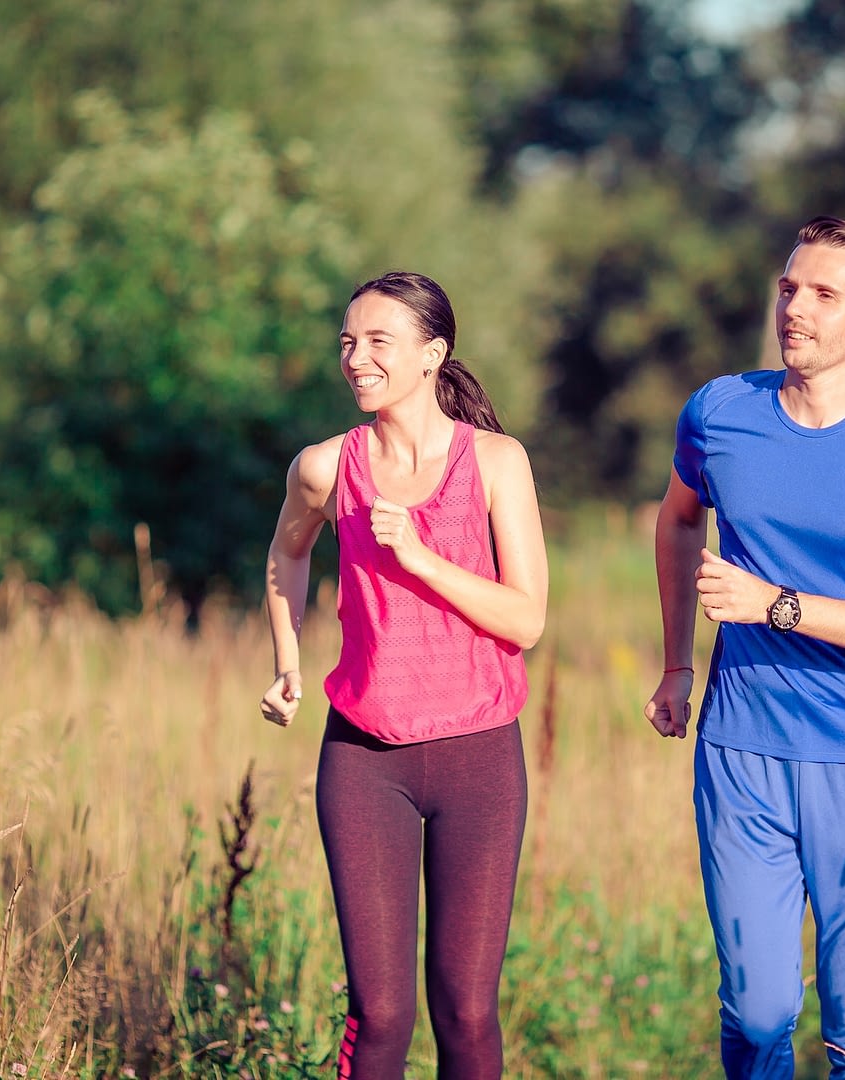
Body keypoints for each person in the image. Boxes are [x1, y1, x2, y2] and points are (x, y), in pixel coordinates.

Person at [643, 217, 845, 1080]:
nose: (796, 308)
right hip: (740, 754)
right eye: (789, 287)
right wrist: (678, 661)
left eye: (825, 293)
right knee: (757, 1014)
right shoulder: (719, 412)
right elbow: (677, 517)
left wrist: (774, 605)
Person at [259, 270, 548, 1080]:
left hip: (480, 761)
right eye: (348, 342)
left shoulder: (495, 462)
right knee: (380, 1015)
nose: (356, 358)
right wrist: (290, 660)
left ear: (433, 353)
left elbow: (526, 618)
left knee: (465, 1010)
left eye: (378, 341)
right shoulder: (323, 468)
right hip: (363, 762)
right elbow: (286, 552)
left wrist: (418, 557)